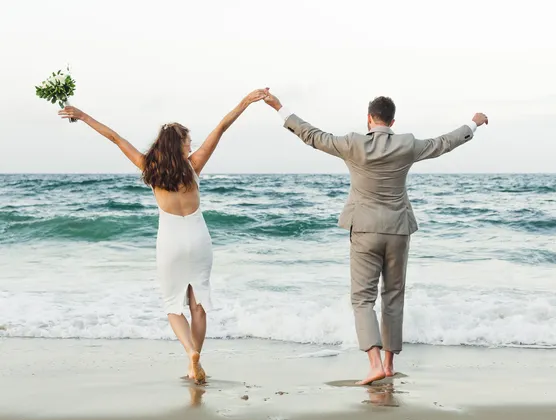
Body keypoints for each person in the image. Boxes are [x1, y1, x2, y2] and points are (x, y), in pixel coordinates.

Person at [261, 90, 488, 385]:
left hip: (365, 230)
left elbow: (312, 135)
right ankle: (390, 364)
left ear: (369, 118)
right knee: (393, 296)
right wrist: (473, 123)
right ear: (392, 121)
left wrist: (279, 107)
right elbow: (443, 144)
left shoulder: (353, 143)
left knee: (362, 299)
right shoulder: (407, 144)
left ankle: (374, 364)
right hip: (398, 229)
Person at [58, 89, 268, 383]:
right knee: (198, 305)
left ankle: (190, 354)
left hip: (170, 243)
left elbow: (115, 138)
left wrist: (81, 116)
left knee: (173, 307)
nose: (191, 144)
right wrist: (245, 102)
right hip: (199, 239)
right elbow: (222, 127)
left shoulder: (150, 168)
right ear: (180, 145)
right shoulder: (194, 167)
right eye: (188, 141)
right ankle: (197, 358)